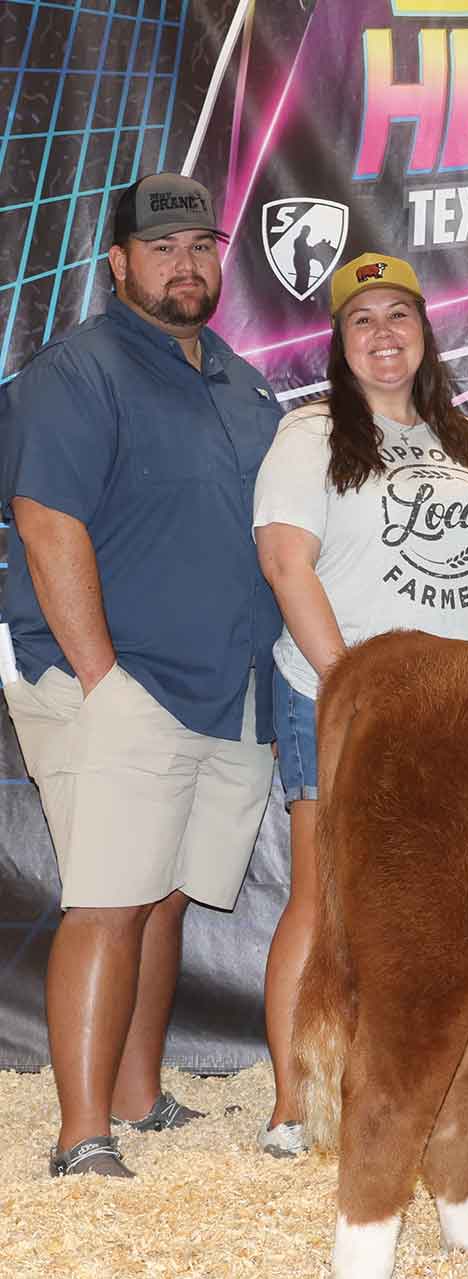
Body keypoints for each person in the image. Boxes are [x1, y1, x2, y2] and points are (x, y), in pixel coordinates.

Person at [0, 173, 284, 1177]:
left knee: (162, 900)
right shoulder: (77, 371)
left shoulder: (243, 382)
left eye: (202, 245)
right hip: (118, 688)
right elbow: (47, 523)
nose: (187, 263)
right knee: (111, 905)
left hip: (225, 687)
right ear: (116, 261)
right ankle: (83, 1140)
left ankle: (138, 1097)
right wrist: (100, 676)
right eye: (162, 247)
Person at [251, 252, 468, 1157]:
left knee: (440, 903)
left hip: (460, 715)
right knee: (324, 893)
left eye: (398, 316)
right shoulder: (309, 434)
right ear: (338, 343)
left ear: (425, 332)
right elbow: (286, 563)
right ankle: (295, 1103)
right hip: (344, 701)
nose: (383, 334)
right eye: (362, 319)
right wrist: (345, 685)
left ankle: (417, 1083)